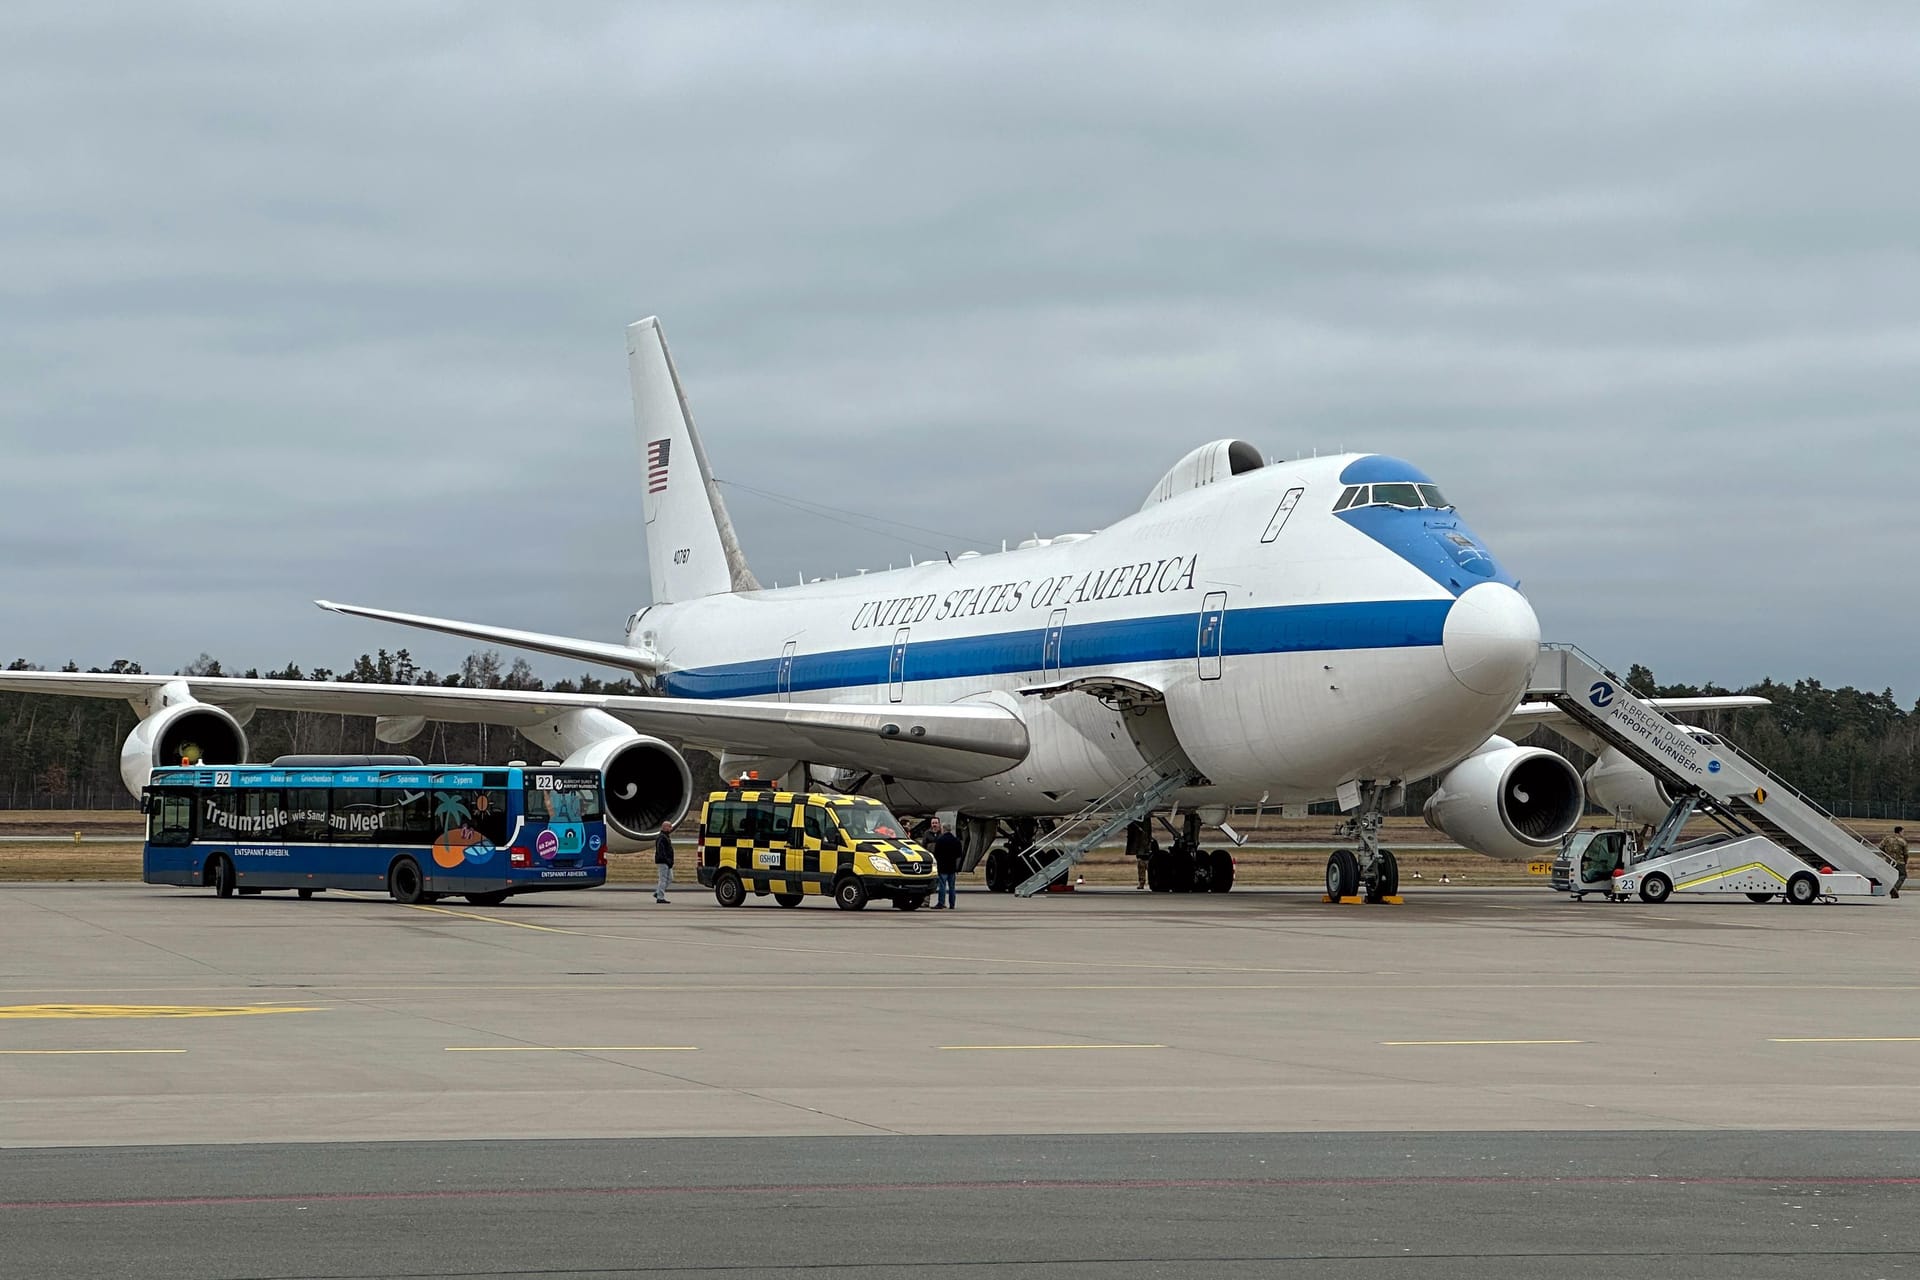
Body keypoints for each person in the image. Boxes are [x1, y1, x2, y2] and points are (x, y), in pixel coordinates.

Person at [928, 817, 963, 910]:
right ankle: (952, 904)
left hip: (942, 866)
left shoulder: (940, 840)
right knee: (952, 887)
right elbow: (959, 854)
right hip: (952, 866)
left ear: (943, 829)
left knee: (942, 886)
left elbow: (936, 853)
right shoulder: (956, 840)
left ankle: (941, 902)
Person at [1880, 825, 1908, 899]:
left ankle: (1889, 887)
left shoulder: (1887, 839)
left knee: (1889, 875)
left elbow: (1881, 847)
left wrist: (1886, 855)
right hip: (1899, 861)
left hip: (1889, 861)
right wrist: (1905, 861)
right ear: (1900, 832)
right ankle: (1895, 888)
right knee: (1902, 875)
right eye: (1903, 832)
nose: (1903, 833)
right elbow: (1906, 854)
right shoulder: (1902, 841)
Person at [653, 820, 676, 904]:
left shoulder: (665, 836)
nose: (671, 828)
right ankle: (660, 897)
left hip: (667, 862)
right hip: (663, 861)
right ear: (665, 827)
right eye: (670, 826)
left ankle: (658, 892)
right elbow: (661, 851)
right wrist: (667, 860)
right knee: (663, 879)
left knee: (670, 878)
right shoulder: (662, 837)